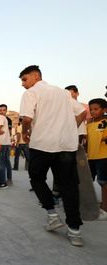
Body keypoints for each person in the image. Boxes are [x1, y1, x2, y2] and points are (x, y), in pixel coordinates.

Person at [19, 65, 86, 246]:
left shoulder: (31, 93)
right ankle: (75, 231)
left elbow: (26, 118)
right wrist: (71, 127)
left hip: (43, 144)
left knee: (36, 178)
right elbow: (82, 112)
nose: (23, 85)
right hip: (66, 145)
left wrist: (25, 133)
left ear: (35, 76)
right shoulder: (63, 93)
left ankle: (52, 214)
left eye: (25, 79)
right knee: (69, 186)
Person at [86, 98, 107, 220]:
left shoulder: (106, 121)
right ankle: (92, 204)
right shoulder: (89, 123)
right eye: (91, 109)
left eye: (96, 109)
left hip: (103, 156)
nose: (93, 111)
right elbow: (87, 140)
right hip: (91, 157)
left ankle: (105, 209)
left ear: (104, 110)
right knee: (88, 181)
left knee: (103, 182)